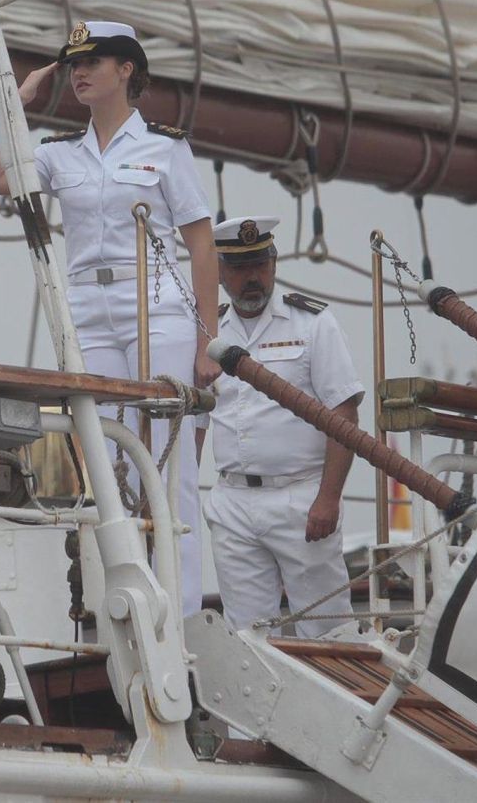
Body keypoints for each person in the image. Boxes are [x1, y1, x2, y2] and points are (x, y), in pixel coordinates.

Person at [0, 20, 219, 615]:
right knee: (108, 461)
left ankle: (181, 614)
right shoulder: (59, 153)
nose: (79, 73)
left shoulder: (164, 147)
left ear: (126, 70)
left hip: (156, 306)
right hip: (86, 307)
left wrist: (207, 340)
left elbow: (201, 243)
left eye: (93, 62)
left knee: (171, 462)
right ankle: (126, 605)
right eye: (74, 64)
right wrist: (16, 100)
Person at [206, 217, 363, 637]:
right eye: (240, 268)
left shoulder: (312, 323)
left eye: (260, 265)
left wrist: (328, 498)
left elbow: (344, 414)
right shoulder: (208, 330)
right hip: (232, 500)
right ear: (220, 273)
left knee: (327, 631)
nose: (252, 278)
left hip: (301, 497)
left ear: (274, 264)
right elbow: (197, 417)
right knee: (248, 638)